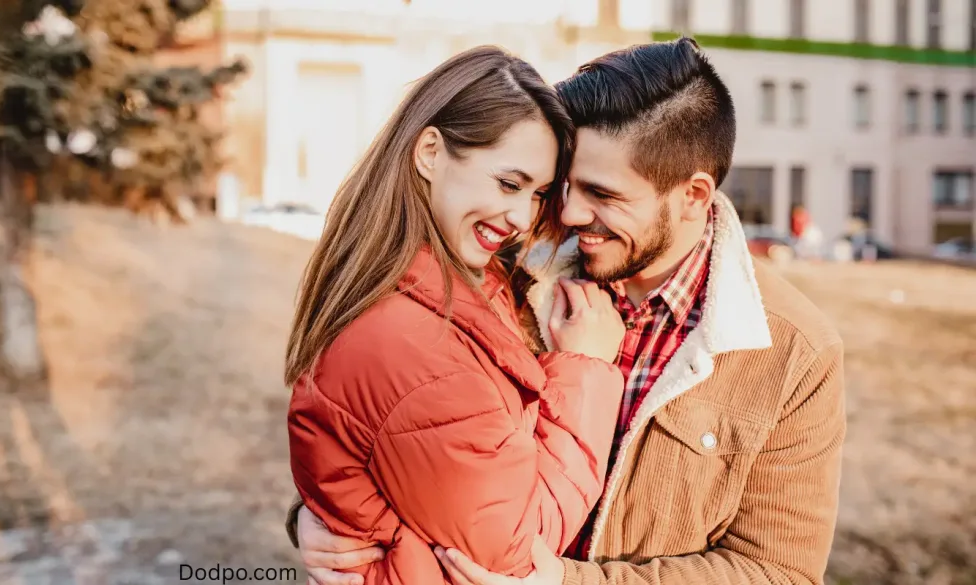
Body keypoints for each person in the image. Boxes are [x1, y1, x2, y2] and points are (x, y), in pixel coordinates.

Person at [291, 38, 846, 585]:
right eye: (562, 186)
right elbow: (402, 428)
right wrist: (329, 513)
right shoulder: (504, 267)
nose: (571, 214)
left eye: (603, 194)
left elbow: (779, 572)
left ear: (693, 196)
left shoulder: (793, 352)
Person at [284, 46, 630, 585]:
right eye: (508, 183)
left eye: (538, 194)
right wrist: (584, 368)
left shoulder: (465, 284)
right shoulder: (415, 346)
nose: (521, 216)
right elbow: (515, 555)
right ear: (429, 152)